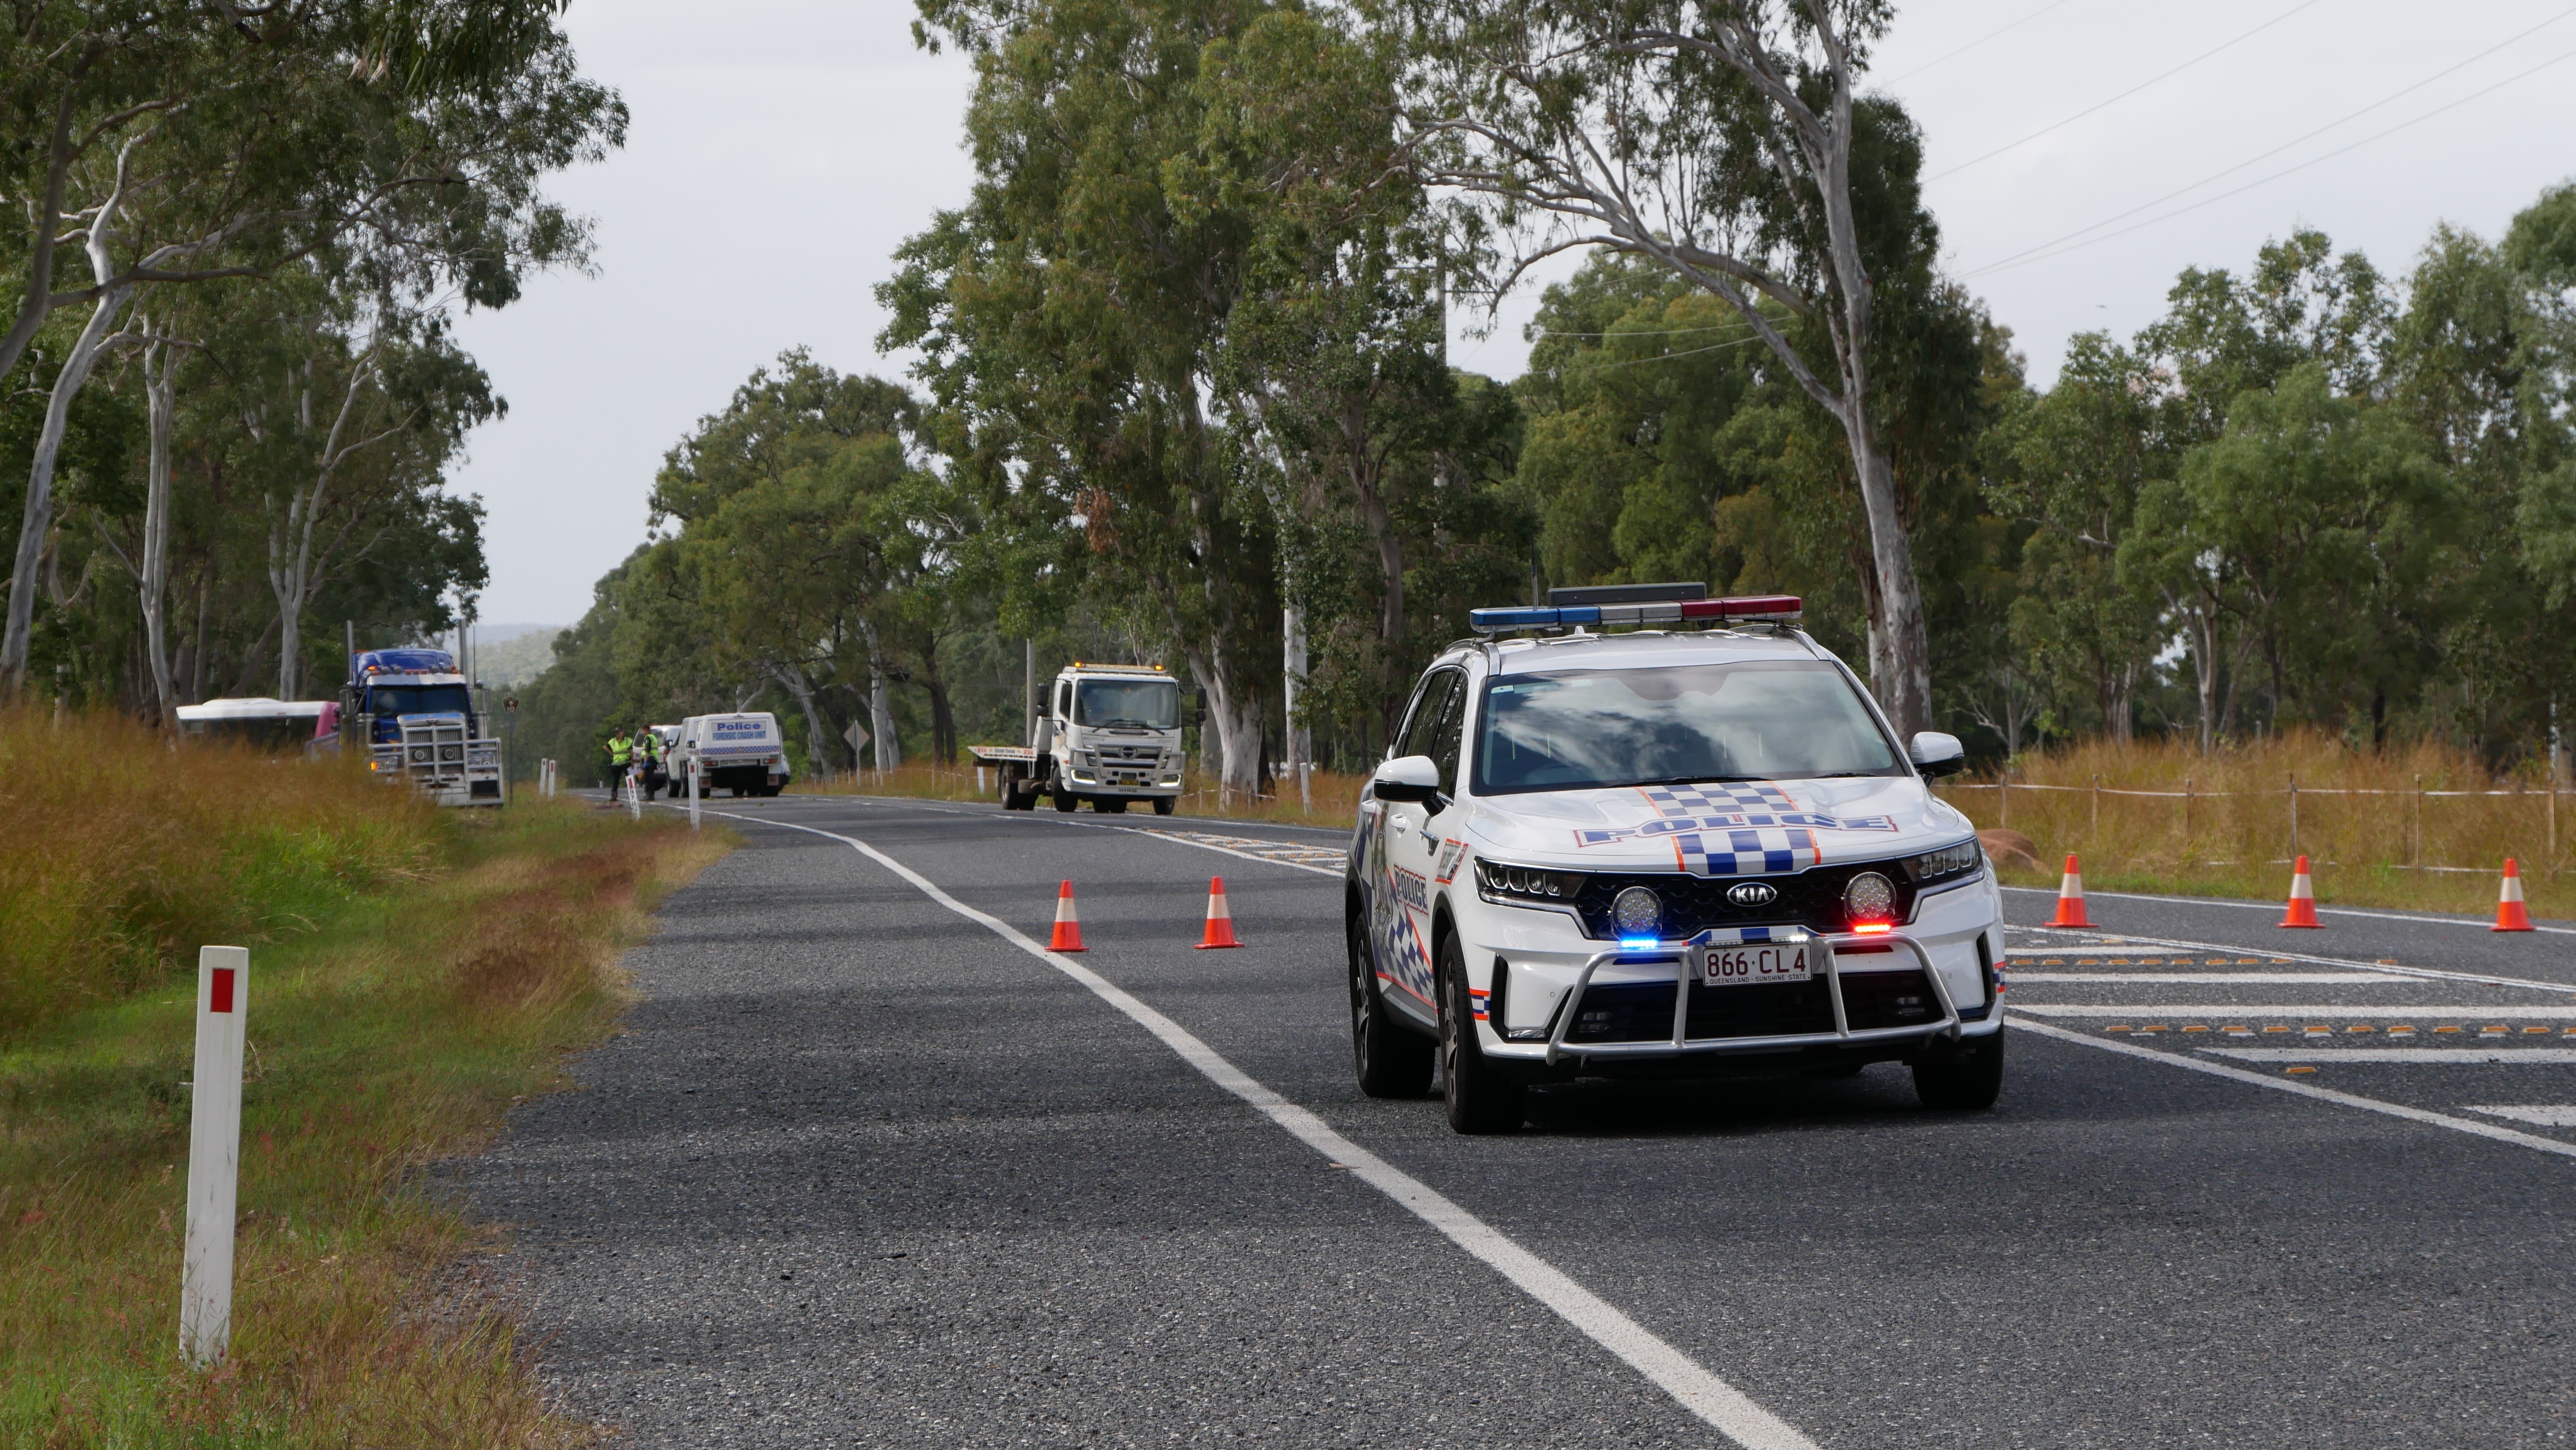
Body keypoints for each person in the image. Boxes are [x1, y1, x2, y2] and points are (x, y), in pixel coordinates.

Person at [606, 729, 632, 797]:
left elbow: (632, 750)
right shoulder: (613, 741)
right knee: (615, 780)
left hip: (626, 762)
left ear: (623, 732)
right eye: (617, 733)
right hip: (616, 763)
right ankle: (613, 795)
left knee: (629, 779)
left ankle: (632, 795)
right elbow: (606, 747)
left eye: (620, 732)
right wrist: (611, 753)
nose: (619, 734)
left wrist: (633, 760)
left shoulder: (628, 741)